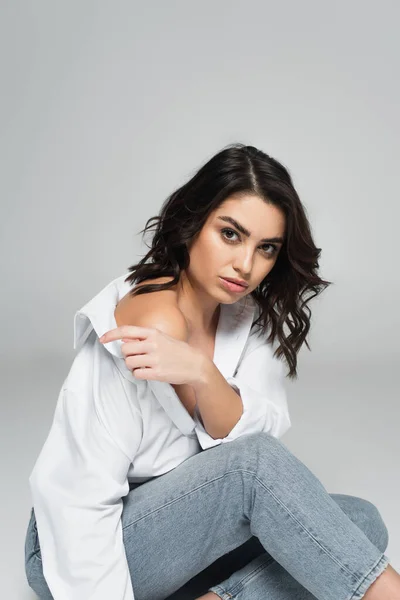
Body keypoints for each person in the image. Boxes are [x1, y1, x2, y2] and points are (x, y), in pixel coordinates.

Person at [24, 143, 399, 600]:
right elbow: (73, 495)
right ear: (193, 222)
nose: (246, 265)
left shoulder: (244, 317)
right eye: (230, 235)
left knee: (358, 523)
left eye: (266, 248)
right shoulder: (142, 326)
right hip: (82, 549)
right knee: (286, 497)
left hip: (180, 533)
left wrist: (202, 371)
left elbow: (254, 437)